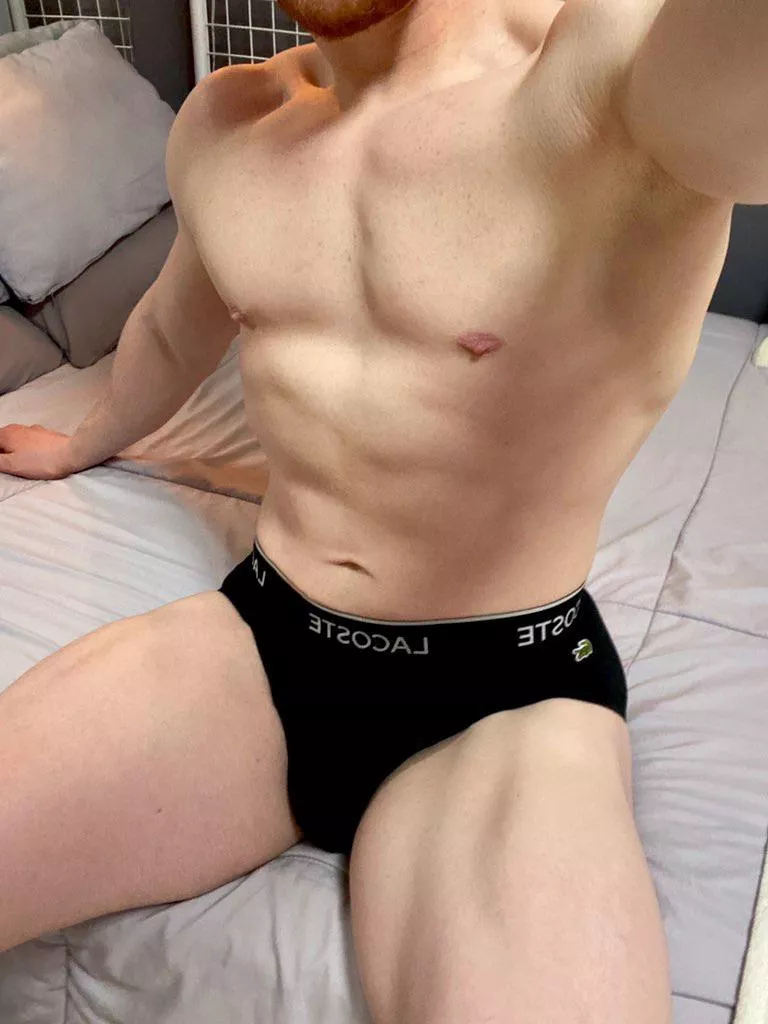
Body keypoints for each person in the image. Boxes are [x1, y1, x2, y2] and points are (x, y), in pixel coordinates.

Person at [1, 0, 766, 1020]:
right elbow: (174, 330)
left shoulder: (607, 74)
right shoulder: (226, 121)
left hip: (506, 693)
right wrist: (81, 443)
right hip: (264, 642)